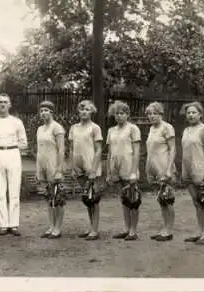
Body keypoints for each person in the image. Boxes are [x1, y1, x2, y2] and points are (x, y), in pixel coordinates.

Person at [0, 93, 27, 236]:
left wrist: (11, 146)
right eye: (0, 102)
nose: (2, 104)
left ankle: (13, 224)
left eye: (5, 102)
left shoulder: (17, 122)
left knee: (14, 191)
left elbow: (24, 143)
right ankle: (3, 225)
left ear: (10, 105)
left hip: (13, 154)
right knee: (0, 191)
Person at [106, 101, 141, 241]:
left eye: (122, 113)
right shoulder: (111, 131)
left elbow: (137, 152)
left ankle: (133, 230)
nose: (119, 116)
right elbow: (109, 153)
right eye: (117, 113)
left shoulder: (133, 129)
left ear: (127, 114)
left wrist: (133, 171)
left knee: (133, 199)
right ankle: (127, 229)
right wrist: (109, 172)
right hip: (116, 167)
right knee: (124, 199)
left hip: (128, 166)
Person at [69, 100, 103, 241]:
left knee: (93, 198)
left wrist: (94, 170)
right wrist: (72, 167)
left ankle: (95, 230)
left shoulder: (95, 128)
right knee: (87, 199)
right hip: (79, 166)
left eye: (87, 109)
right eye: (82, 109)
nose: (84, 112)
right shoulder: (74, 128)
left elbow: (99, 150)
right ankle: (91, 227)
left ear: (92, 112)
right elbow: (71, 148)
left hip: (91, 166)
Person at [180, 101, 204, 245]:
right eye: (188, 113)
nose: (191, 115)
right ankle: (200, 232)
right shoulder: (186, 130)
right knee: (196, 202)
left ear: (200, 114)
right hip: (187, 169)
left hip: (200, 169)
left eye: (194, 112)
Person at [145, 102, 176, 242]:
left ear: (161, 114)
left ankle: (169, 231)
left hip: (164, 167)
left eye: (155, 113)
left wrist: (169, 169)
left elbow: (173, 149)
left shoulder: (167, 128)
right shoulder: (151, 129)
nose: (152, 116)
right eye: (149, 114)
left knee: (168, 200)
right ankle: (164, 228)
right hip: (153, 167)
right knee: (161, 200)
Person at [35, 101, 66, 239]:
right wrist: (38, 170)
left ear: (52, 112)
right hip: (43, 166)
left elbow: (61, 150)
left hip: (54, 166)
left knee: (57, 198)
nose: (43, 113)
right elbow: (39, 150)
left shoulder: (57, 128)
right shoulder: (40, 129)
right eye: (41, 111)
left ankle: (57, 228)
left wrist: (59, 169)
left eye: (46, 110)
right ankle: (51, 226)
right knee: (49, 198)